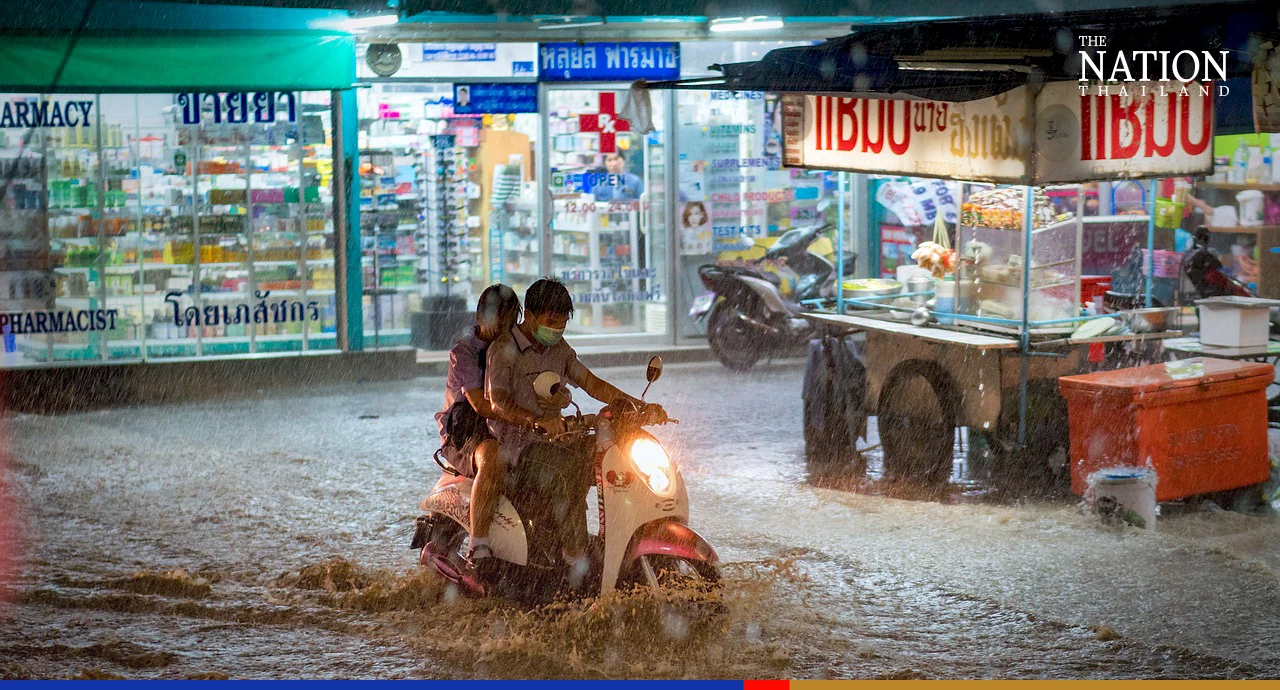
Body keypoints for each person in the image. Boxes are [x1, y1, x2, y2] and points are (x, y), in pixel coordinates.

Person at [485, 278, 663, 575]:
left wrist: (636, 406)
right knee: (567, 471)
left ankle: (622, 541)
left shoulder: (560, 350)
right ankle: (574, 560)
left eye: (562, 323)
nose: (556, 330)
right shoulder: (503, 350)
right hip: (519, 450)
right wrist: (535, 421)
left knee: (614, 455)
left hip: (558, 441)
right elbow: (497, 403)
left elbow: (590, 383)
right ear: (529, 315)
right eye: (551, 321)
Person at [431, 284, 524, 574]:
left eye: (510, 321)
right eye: (499, 319)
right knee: (494, 457)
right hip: (466, 432)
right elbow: (482, 406)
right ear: (480, 316)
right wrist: (528, 418)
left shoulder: (516, 349)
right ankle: (478, 543)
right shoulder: (465, 353)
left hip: (505, 425)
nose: (504, 328)